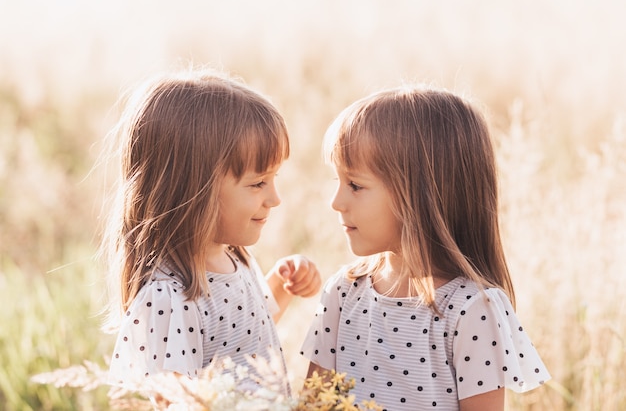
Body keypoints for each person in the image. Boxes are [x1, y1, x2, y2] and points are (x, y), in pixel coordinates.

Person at [300, 85, 550, 410]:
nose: (336, 202)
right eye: (338, 182)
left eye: (356, 185)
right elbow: (312, 404)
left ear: (417, 196)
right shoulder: (343, 293)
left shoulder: (473, 311)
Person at [101, 68, 321, 394]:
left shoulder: (233, 257)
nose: (275, 199)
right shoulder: (168, 298)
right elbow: (173, 399)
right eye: (258, 183)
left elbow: (242, 339)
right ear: (194, 190)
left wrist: (281, 286)